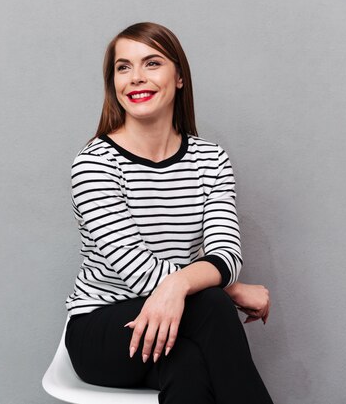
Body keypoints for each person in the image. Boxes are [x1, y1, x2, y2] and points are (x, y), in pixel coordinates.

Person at [64, 22, 274, 404]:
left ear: (179, 77)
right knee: (209, 306)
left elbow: (226, 253)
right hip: (104, 330)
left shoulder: (211, 160)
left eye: (152, 63)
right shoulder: (94, 164)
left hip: (178, 320)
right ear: (113, 83)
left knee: (188, 366)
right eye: (123, 67)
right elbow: (140, 272)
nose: (136, 78)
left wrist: (180, 286)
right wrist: (231, 291)